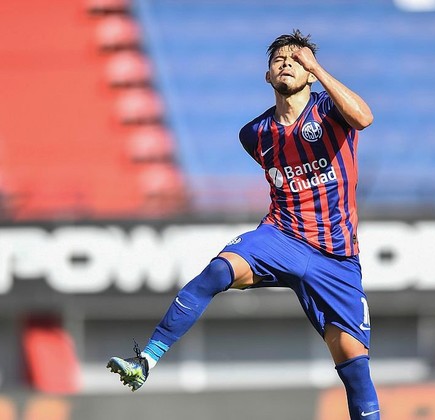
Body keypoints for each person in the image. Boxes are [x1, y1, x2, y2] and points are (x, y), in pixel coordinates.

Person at [107, 29, 381, 419]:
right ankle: (147, 360)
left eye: (297, 59)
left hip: (336, 257)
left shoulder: (329, 109)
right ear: (268, 75)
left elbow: (364, 118)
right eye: (279, 60)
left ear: (310, 72)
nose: (287, 64)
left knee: (354, 367)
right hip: (282, 235)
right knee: (217, 271)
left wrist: (318, 67)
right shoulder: (254, 134)